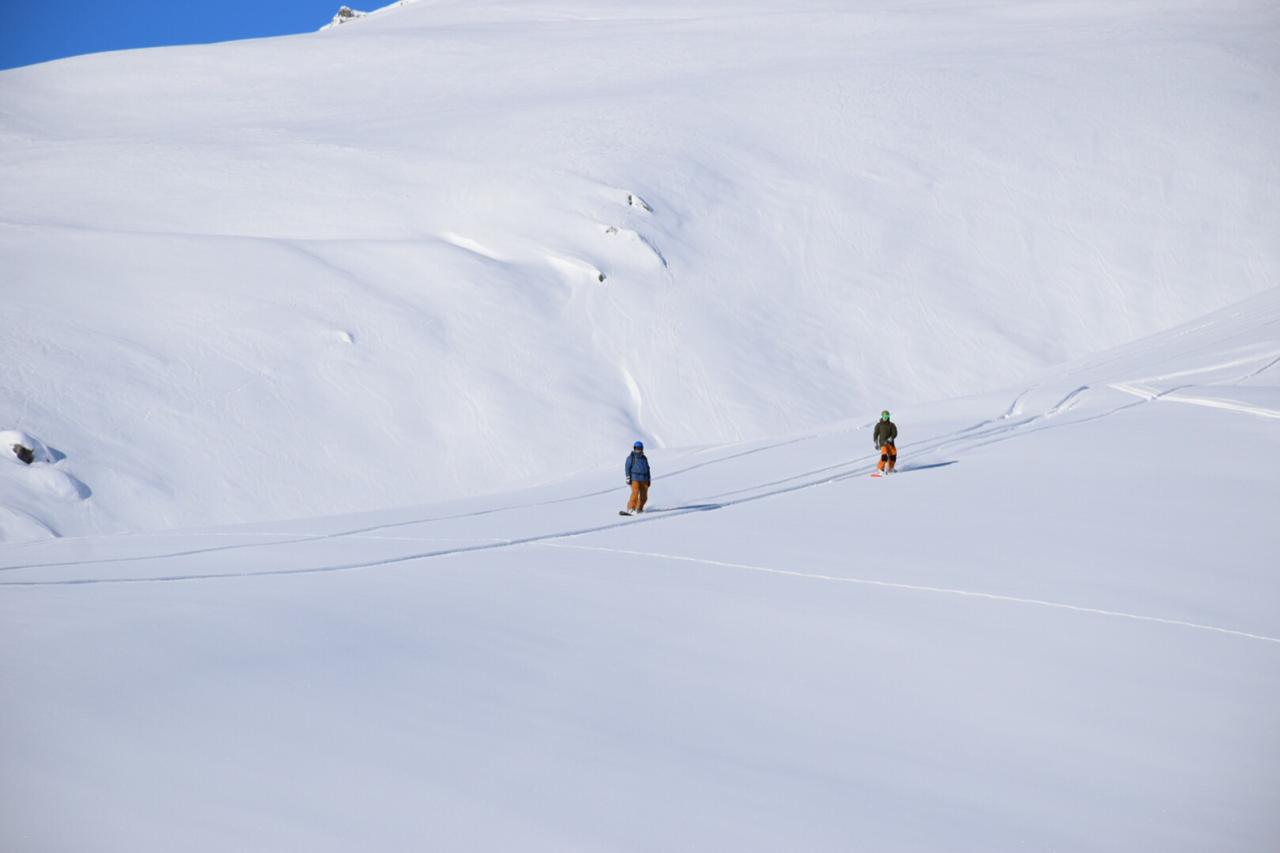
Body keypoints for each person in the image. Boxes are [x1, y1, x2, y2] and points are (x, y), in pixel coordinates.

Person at [624, 440, 651, 514]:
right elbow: (627, 468)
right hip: (635, 478)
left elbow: (647, 469)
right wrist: (628, 477)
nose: (637, 450)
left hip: (644, 479)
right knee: (635, 494)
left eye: (639, 448)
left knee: (644, 497)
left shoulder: (644, 458)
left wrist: (649, 479)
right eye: (636, 448)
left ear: (642, 449)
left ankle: (639, 509)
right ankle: (631, 508)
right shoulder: (631, 457)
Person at [874, 410, 898, 474]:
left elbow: (895, 433)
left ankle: (890, 468)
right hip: (883, 443)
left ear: (888, 416)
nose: (885, 417)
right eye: (884, 416)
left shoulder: (892, 425)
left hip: (890, 443)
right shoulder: (879, 425)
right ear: (882, 416)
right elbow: (875, 434)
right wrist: (876, 442)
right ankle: (880, 469)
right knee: (884, 456)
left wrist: (891, 438)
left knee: (893, 456)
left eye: (886, 416)